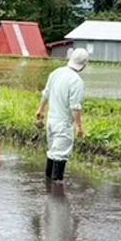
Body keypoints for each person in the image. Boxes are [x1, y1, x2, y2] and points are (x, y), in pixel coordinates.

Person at [35, 48, 87, 183]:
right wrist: (80, 127)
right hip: (64, 124)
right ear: (84, 64)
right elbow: (75, 107)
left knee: (52, 153)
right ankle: (56, 192)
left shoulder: (56, 73)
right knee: (60, 156)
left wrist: (40, 110)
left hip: (51, 122)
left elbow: (46, 93)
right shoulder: (77, 81)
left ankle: (48, 186)